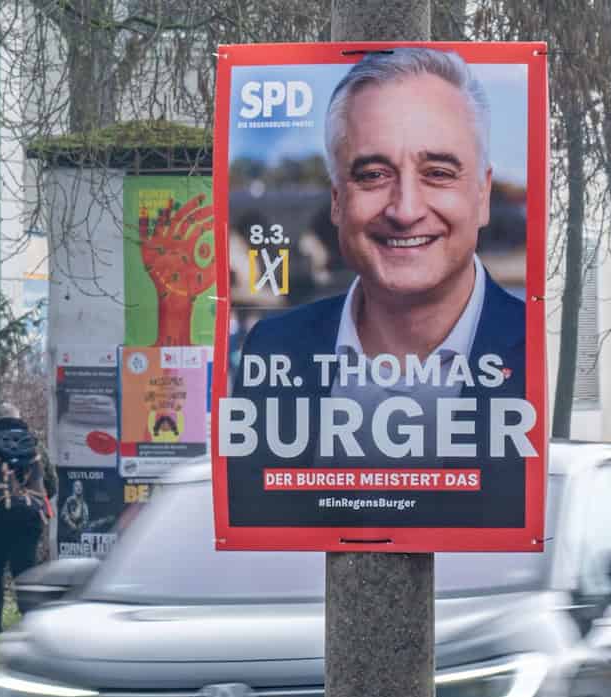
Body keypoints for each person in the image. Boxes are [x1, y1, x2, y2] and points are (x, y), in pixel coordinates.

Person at [222, 48, 533, 526]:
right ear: (336, 201)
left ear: (484, 194)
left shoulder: (537, 351)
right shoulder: (274, 352)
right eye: (373, 175)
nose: (405, 208)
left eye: (438, 173)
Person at [0, 402, 56, 634]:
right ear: (19, 418)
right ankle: (30, 623)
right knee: (25, 571)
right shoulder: (36, 447)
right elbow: (51, 484)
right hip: (30, 518)